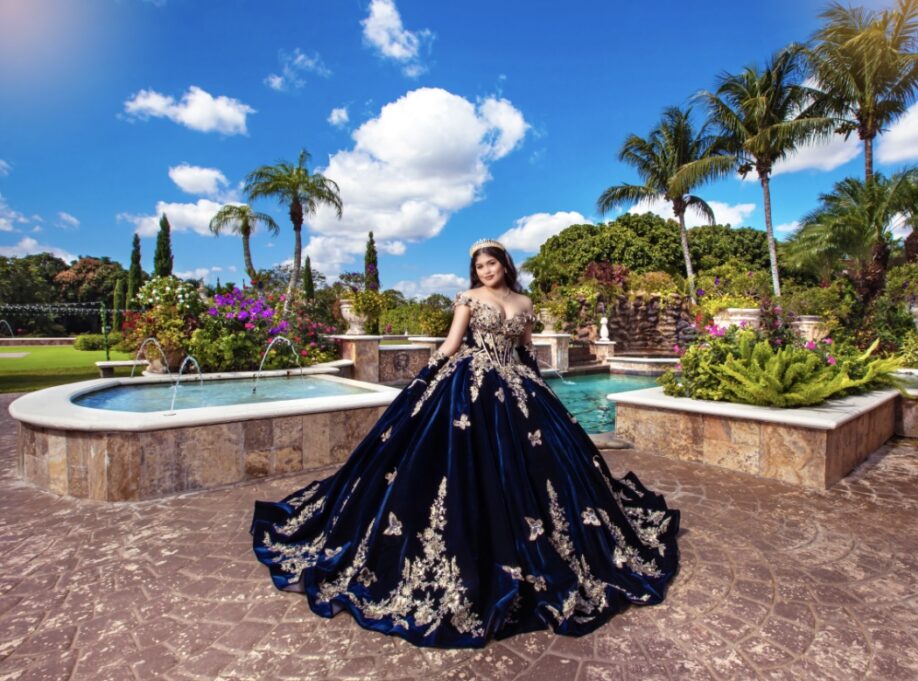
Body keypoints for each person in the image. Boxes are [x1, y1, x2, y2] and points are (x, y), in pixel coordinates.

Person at [251, 239, 680, 648]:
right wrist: (425, 378)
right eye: (479, 265)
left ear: (505, 264)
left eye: (491, 264)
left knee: (551, 469)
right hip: (470, 386)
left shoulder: (526, 304)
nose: (485, 271)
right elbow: (452, 344)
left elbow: (526, 350)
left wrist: (542, 389)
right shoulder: (468, 298)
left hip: (519, 388)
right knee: (453, 467)